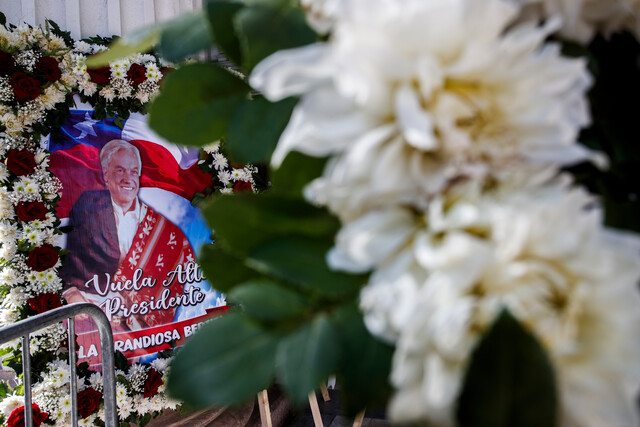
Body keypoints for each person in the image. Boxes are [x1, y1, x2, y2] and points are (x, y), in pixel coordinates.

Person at [61, 139, 197, 331]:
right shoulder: (88, 207)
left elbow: (183, 271)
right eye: (120, 170)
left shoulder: (160, 226)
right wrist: (71, 292)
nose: (128, 178)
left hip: (144, 331)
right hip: (96, 316)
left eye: (133, 171)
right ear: (106, 175)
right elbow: (70, 265)